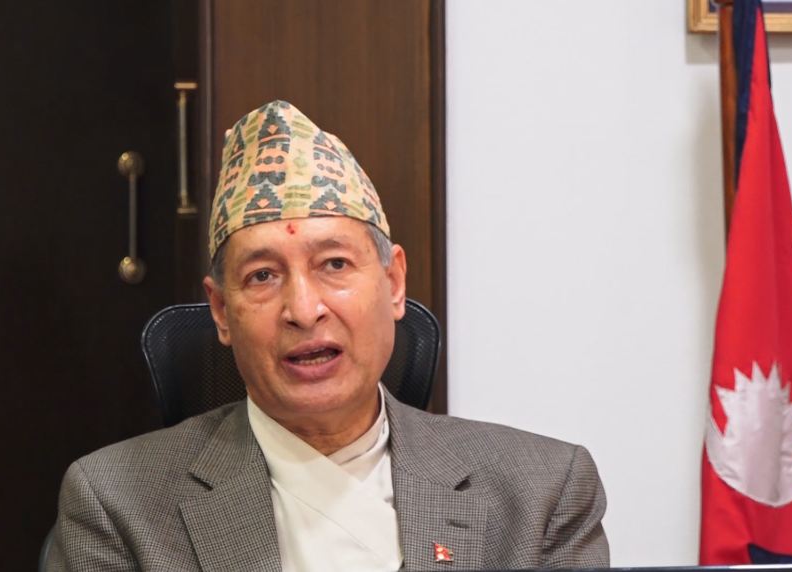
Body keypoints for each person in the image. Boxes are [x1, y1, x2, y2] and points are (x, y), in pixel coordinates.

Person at [46, 100, 609, 571]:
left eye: (334, 264)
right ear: (221, 311)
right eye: (262, 276)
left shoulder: (540, 493)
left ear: (394, 283)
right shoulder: (117, 503)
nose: (303, 309)